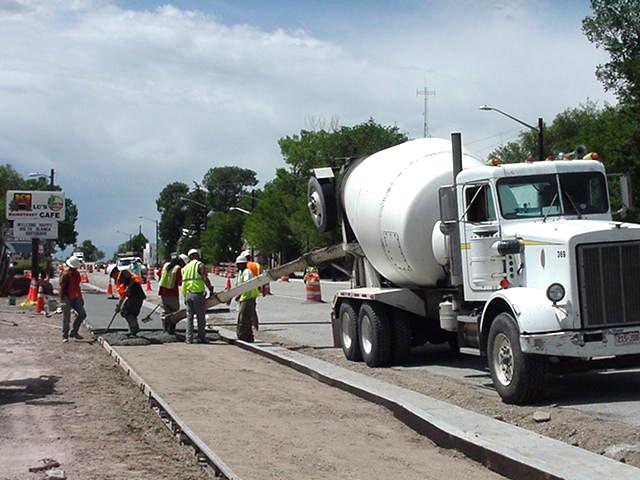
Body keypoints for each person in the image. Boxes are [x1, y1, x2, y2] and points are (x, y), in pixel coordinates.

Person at [181, 248, 214, 344]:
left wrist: (184, 295)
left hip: (188, 293)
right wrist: (210, 288)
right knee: (200, 316)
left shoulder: (185, 268)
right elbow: (205, 278)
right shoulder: (199, 265)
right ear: (196, 255)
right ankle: (201, 337)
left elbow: (183, 282)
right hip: (197, 294)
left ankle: (189, 338)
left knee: (189, 317)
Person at [158, 254, 189, 334]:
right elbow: (179, 282)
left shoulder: (166, 265)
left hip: (163, 293)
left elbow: (159, 274)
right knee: (174, 312)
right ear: (181, 262)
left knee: (165, 311)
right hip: (172, 293)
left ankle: (165, 329)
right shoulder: (177, 269)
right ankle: (171, 330)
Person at [60, 255, 87, 342]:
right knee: (66, 318)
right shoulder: (65, 275)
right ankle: (65, 336)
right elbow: (62, 289)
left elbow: (77, 286)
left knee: (82, 314)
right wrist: (62, 301)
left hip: (75, 297)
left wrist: (80, 297)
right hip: (67, 298)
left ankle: (74, 332)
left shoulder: (77, 274)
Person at [234, 254, 259, 343]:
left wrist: (238, 295)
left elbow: (246, 285)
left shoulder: (247, 272)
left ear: (243, 264)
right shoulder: (241, 273)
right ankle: (244, 336)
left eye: (238, 264)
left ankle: (246, 337)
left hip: (248, 298)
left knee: (244, 318)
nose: (237, 266)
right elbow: (237, 286)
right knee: (244, 317)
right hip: (244, 298)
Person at [115, 269, 145, 336]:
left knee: (126, 311)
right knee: (132, 313)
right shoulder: (128, 281)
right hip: (139, 298)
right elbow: (123, 295)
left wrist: (119, 306)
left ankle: (134, 328)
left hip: (135, 298)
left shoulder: (129, 280)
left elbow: (124, 294)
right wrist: (118, 305)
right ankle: (134, 329)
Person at [244, 252, 261, 331]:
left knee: (248, 308)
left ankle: (252, 324)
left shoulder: (245, 266)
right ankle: (255, 324)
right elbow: (259, 276)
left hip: (247, 289)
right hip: (255, 287)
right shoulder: (256, 265)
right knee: (253, 307)